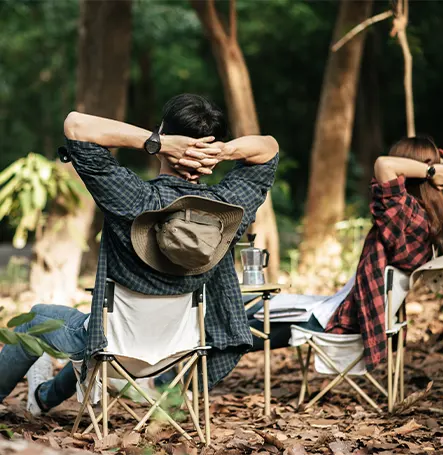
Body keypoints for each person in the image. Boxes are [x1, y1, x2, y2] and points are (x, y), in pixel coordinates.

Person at [0, 94, 279, 415]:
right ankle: (45, 397)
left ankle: (43, 391)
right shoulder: (227, 211)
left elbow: (76, 125)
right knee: (72, 319)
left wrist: (158, 142)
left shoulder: (132, 199)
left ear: (164, 133)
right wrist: (222, 151)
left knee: (35, 320)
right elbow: (269, 149)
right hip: (183, 349)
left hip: (112, 346)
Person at [249, 136, 443, 372]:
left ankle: (200, 357)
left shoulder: (406, 213)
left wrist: (429, 170)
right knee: (244, 309)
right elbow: (388, 166)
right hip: (345, 310)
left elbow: (384, 165)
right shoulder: (426, 216)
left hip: (343, 320)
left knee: (237, 325)